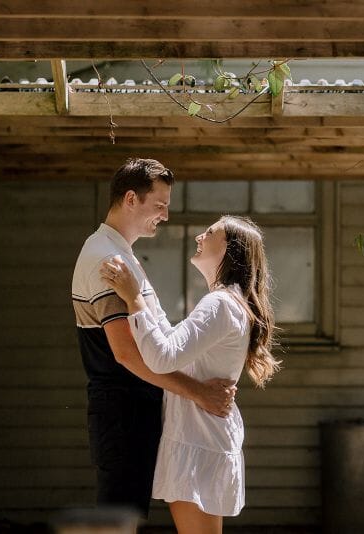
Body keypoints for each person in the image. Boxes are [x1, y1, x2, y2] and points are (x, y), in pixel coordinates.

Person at [71, 158, 238, 519]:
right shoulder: (106, 258)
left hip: (135, 409)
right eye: (159, 205)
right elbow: (127, 355)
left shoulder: (121, 254)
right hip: (122, 410)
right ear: (131, 199)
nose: (164, 216)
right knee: (119, 519)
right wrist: (200, 393)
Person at [100, 215, 281, 534]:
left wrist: (134, 297)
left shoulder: (221, 304)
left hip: (198, 439)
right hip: (199, 435)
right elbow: (173, 346)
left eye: (210, 232)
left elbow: (162, 357)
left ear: (228, 248)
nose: (200, 236)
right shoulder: (227, 303)